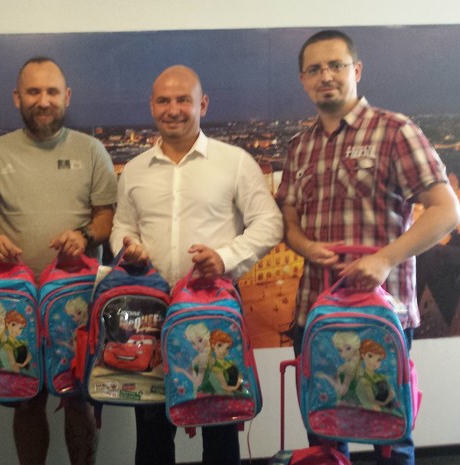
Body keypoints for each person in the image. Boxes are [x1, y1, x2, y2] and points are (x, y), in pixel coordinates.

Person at [276, 29, 460, 465]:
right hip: (315, 312)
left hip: (382, 313)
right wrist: (304, 246)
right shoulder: (299, 147)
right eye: (314, 69)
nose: (326, 76)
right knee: (323, 432)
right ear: (303, 80)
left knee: (391, 436)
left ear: (356, 70)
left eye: (336, 65)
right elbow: (289, 219)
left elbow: (447, 211)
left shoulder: (395, 131)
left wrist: (385, 259)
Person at [110, 65, 283, 465]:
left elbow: (269, 223)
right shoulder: (134, 170)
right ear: (151, 106)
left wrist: (225, 258)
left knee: (219, 422)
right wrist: (127, 247)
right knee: (151, 429)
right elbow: (123, 225)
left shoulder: (234, 161)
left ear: (202, 104)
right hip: (150, 312)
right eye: (164, 101)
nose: (173, 109)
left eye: (183, 100)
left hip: (213, 307)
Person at [0, 56, 117, 465]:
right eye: (33, 92)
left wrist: (83, 236)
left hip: (77, 300)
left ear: (66, 96)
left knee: (77, 397)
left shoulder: (92, 150)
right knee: (26, 398)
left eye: (52, 91)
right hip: (17, 301)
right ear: (17, 98)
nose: (43, 100)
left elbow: (106, 217)